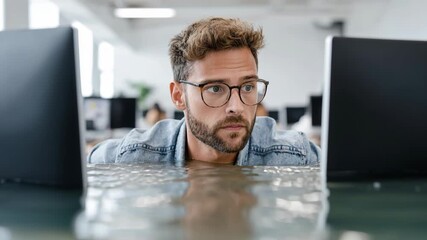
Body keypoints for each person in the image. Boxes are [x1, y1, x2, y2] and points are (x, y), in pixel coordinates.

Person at [88, 17, 320, 166]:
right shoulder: (137, 155)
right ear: (179, 96)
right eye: (215, 88)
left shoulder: (294, 156)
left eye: (248, 87)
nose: (237, 106)